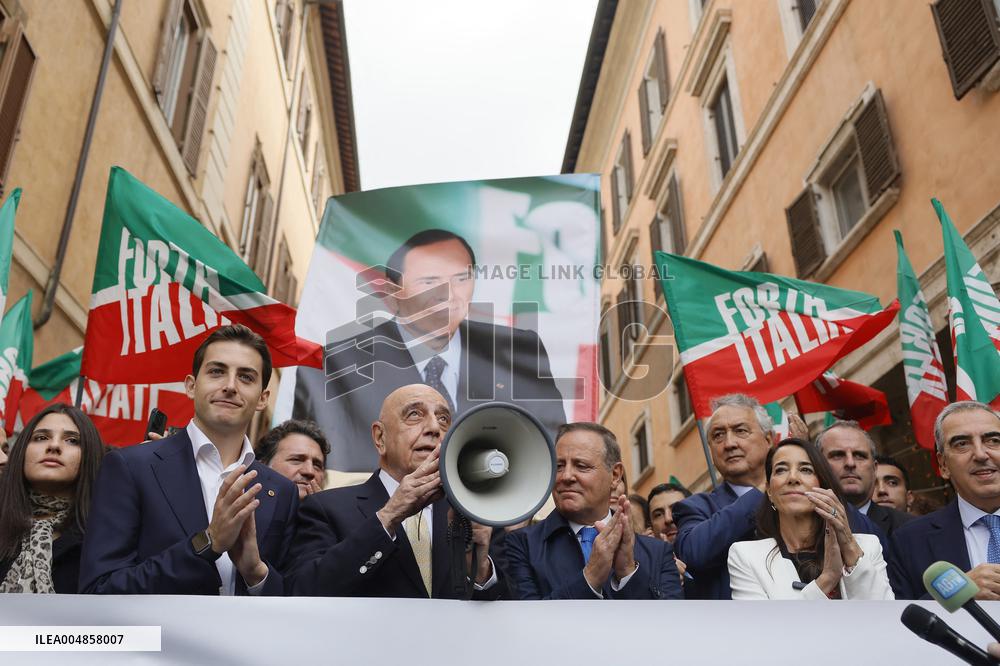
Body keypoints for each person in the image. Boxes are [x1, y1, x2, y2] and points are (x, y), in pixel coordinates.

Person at [292, 228, 566, 471]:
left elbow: (551, 446)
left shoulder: (518, 351)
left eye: (461, 278)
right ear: (392, 294)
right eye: (429, 281)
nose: (447, 293)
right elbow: (314, 461)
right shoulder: (336, 364)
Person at [79, 325, 298, 596]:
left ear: (263, 398)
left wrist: (256, 574)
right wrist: (207, 543)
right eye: (217, 371)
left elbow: (292, 605)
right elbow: (99, 591)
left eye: (246, 377)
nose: (230, 386)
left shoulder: (282, 491)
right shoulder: (130, 467)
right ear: (191, 386)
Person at [286, 383, 503, 599]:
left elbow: (513, 611)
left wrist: (478, 569)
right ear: (380, 437)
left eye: (443, 419)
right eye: (415, 414)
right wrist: (388, 517)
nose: (434, 428)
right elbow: (304, 590)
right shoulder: (326, 508)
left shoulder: (476, 514)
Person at [672, 394, 885, 599]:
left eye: (740, 431)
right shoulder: (695, 507)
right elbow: (694, 554)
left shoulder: (810, 492)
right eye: (718, 435)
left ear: (768, 439)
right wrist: (768, 490)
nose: (729, 443)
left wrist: (806, 462)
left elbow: (865, 539)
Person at [504, 423, 682, 600]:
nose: (566, 476)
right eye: (558, 466)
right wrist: (590, 578)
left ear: (615, 475)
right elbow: (528, 622)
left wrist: (627, 572)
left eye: (581, 466)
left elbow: (666, 624)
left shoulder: (659, 553)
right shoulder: (522, 545)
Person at [728, 438, 893, 599]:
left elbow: (883, 616)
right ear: (769, 491)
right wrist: (827, 578)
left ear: (823, 485)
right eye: (781, 470)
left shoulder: (868, 547)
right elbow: (764, 626)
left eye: (806, 470)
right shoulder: (746, 556)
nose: (793, 478)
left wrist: (849, 547)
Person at [890, 401, 1000, 600]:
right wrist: (957, 592)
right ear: (943, 465)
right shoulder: (909, 541)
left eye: (993, 440)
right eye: (962, 444)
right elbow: (900, 620)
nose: (981, 454)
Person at [0, 404, 104, 593]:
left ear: (90, 455)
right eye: (41, 438)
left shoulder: (106, 537)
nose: (54, 446)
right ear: (21, 450)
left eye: (72, 441)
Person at [816, 420, 912, 536]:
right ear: (818, 465)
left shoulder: (910, 528)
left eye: (860, 456)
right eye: (838, 455)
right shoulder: (795, 528)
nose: (850, 463)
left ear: (875, 468)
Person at [255, 419, 329, 500]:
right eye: (296, 460)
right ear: (263, 465)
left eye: (317, 465)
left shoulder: (338, 512)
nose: (309, 471)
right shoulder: (241, 509)